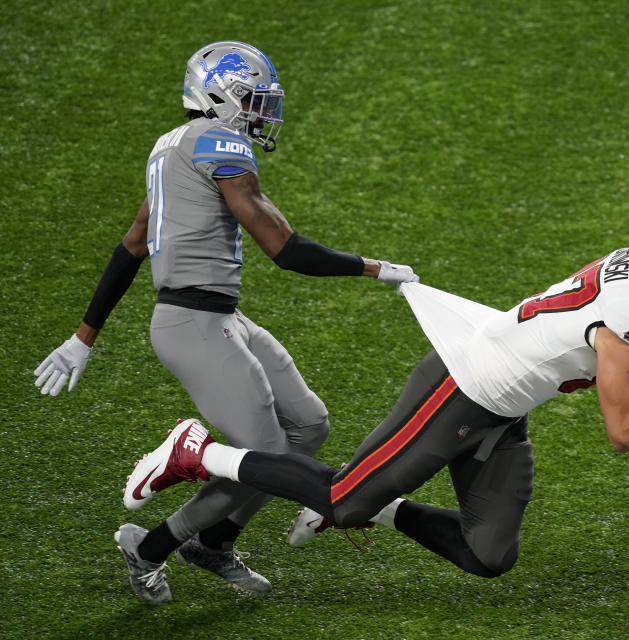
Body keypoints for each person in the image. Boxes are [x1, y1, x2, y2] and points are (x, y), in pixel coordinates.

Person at [122, 213, 629, 584]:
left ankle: (385, 507)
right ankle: (198, 452)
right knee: (342, 500)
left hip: (503, 407)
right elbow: (625, 429)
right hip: (460, 388)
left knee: (489, 554)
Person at [33, 41, 418, 605]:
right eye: (254, 101)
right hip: (192, 323)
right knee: (267, 458)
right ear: (219, 96)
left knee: (308, 427)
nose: (263, 113)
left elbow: (132, 245)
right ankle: (150, 547)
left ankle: (214, 542)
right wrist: (372, 268)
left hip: (219, 316)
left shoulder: (171, 148)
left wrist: (83, 336)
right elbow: (283, 249)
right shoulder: (219, 142)